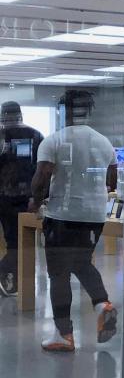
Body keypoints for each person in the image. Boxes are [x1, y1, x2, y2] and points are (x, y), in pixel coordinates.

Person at [29, 90, 119, 352]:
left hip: (63, 216)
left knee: (59, 274)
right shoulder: (103, 142)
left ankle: (63, 333)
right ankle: (102, 304)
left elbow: (42, 176)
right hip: (94, 216)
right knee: (81, 262)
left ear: (63, 111)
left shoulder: (55, 140)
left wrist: (36, 199)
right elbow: (111, 182)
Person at [0, 101, 44, 297]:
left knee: (14, 242)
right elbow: (42, 171)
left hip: (4, 197)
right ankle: (8, 277)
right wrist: (39, 197)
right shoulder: (35, 136)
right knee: (20, 242)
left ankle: (11, 281)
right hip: (24, 198)